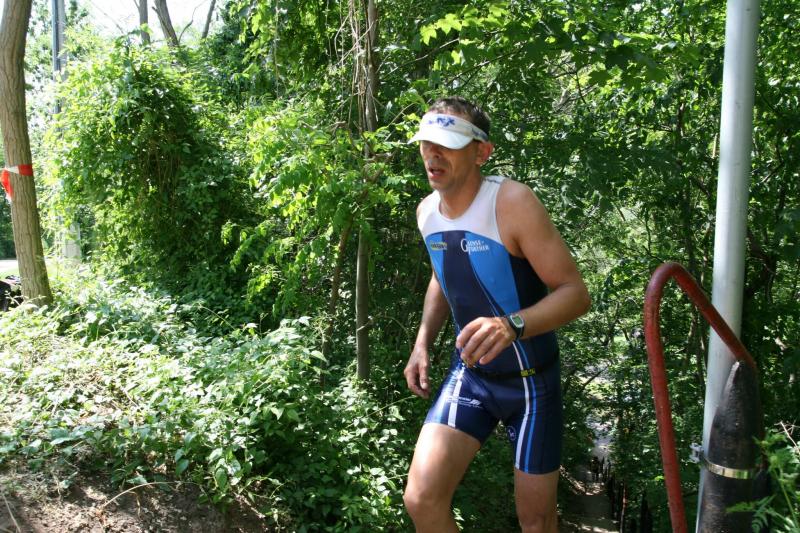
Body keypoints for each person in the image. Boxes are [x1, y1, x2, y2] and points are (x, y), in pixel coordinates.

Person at [402, 96, 591, 533]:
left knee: (536, 523)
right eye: (427, 142)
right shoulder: (426, 212)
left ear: (481, 152)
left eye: (448, 144)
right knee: (421, 499)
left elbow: (575, 294)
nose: (433, 154)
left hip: (532, 385)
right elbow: (442, 277)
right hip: (471, 376)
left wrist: (512, 325)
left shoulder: (512, 202)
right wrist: (422, 342)